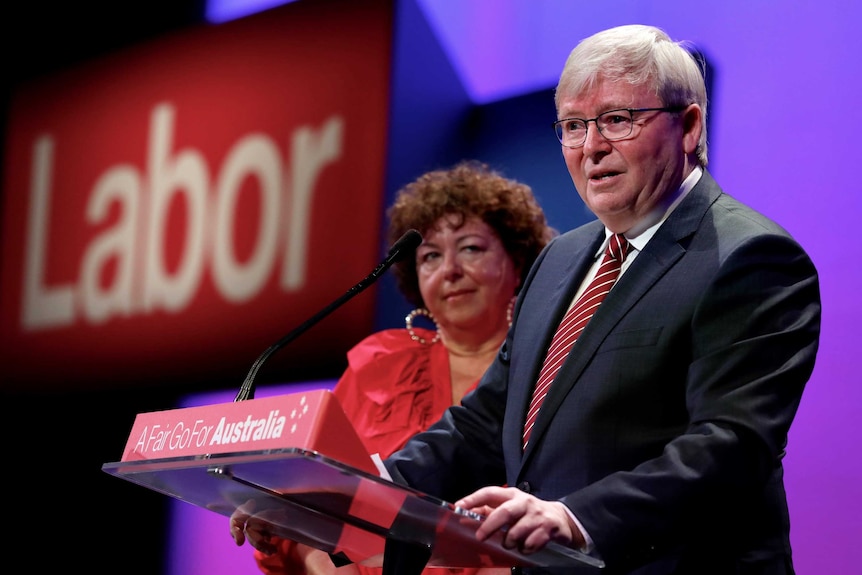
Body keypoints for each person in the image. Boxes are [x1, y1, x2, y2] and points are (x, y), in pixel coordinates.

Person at [235, 24, 822, 574]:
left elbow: (731, 445)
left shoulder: (750, 257)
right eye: (572, 125)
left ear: (689, 126)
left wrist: (576, 517)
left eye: (617, 119)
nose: (590, 147)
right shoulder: (562, 260)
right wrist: (344, 490)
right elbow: (486, 424)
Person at [232, 160, 556, 575]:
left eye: (471, 248)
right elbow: (317, 494)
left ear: (518, 260)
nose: (450, 271)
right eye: (430, 257)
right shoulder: (378, 366)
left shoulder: (551, 362)